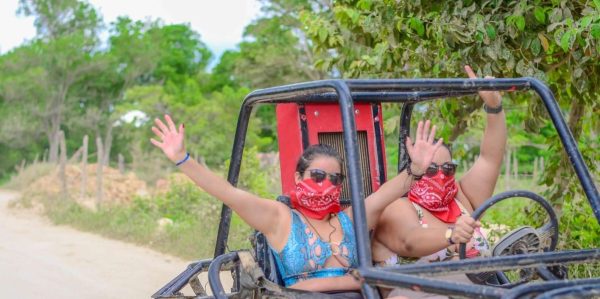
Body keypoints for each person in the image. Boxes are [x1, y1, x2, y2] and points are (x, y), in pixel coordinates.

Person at [150, 112, 443, 298]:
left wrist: (416, 169)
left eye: (333, 178)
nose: (325, 184)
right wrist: (182, 159)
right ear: (297, 177)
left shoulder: (350, 219)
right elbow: (228, 193)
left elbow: (389, 191)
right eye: (316, 176)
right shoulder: (280, 218)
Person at [371, 65, 507, 298]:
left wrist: (494, 108)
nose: (441, 175)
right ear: (414, 168)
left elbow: (490, 158)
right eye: (430, 169)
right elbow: (410, 241)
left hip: (472, 288)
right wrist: (452, 235)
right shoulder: (397, 206)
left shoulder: (462, 198)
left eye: (448, 168)